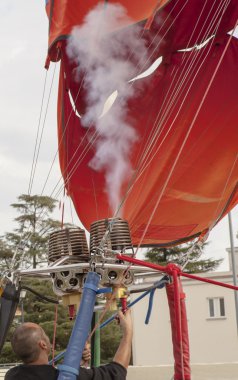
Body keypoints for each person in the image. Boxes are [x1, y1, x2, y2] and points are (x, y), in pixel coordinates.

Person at [5, 309, 132, 380]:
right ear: (43, 345)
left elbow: (39, 372)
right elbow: (116, 372)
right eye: (44, 333)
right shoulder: (63, 376)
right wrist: (128, 333)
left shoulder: (11, 376)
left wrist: (77, 365)